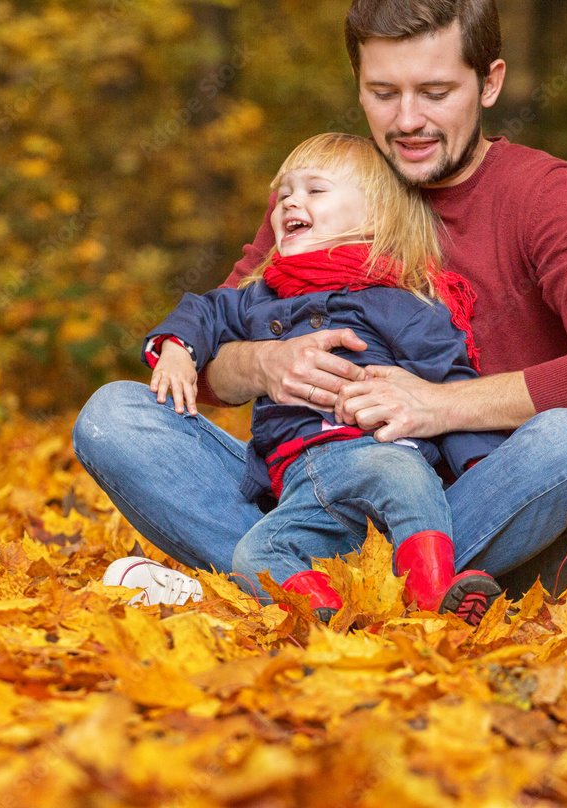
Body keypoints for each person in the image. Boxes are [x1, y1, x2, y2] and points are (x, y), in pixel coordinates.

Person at [74, 0, 567, 610]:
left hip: (481, 510)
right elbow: (211, 359)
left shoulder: (540, 194)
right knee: (115, 416)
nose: (407, 121)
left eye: (436, 92)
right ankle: (316, 586)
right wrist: (265, 363)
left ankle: (294, 586)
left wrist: (439, 405)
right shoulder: (327, 195)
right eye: (384, 93)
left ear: (490, 83)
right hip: (318, 495)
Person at [140, 132, 506, 625]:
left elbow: (451, 383)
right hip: (299, 480)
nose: (291, 200)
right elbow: (203, 312)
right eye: (285, 192)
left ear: (373, 217)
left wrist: (481, 466)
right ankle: (327, 614)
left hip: (383, 455)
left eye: (315, 190)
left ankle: (434, 598)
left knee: (402, 477)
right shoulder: (261, 295)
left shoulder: (402, 302)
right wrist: (176, 350)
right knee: (254, 555)